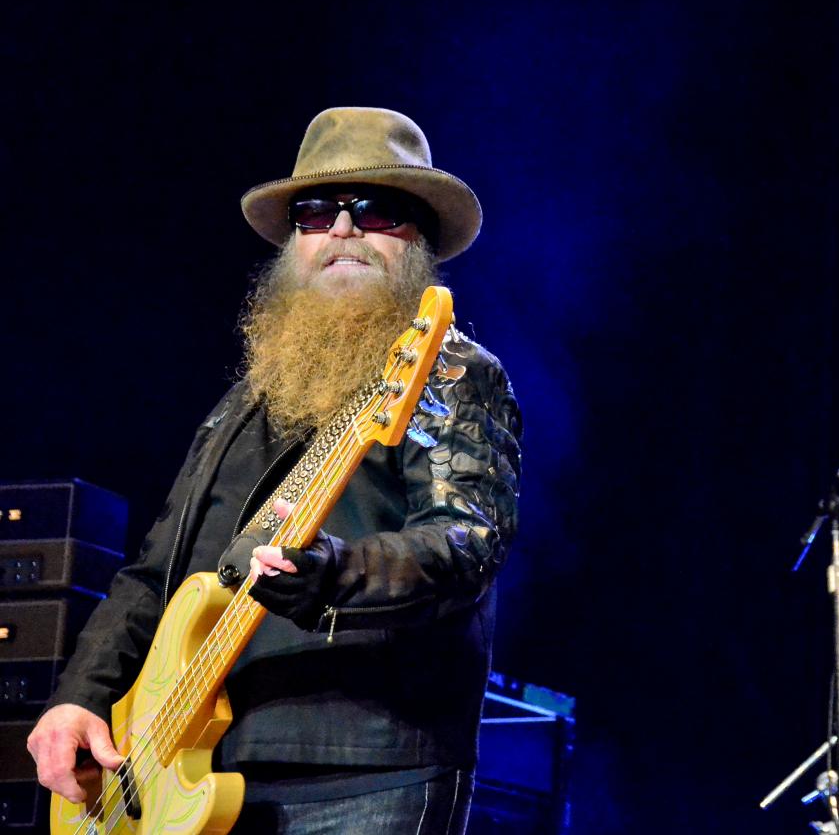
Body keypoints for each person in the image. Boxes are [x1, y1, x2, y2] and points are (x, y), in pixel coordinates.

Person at [27, 107, 521, 834]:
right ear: (295, 242)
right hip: (175, 768)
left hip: (362, 769)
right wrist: (80, 696)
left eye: (378, 212)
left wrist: (331, 572)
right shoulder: (243, 402)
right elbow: (154, 573)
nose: (344, 231)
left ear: (418, 240)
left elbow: (465, 540)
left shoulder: (448, 372)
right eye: (317, 213)